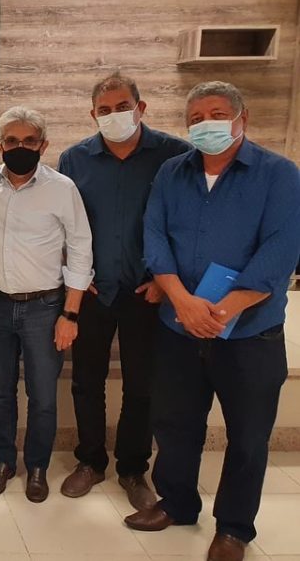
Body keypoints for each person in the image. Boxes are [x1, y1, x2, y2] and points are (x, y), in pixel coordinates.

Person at [126, 81, 300, 561]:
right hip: (179, 325)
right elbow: (155, 236)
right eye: (197, 118)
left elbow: (282, 250)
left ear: (242, 119)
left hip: (250, 331)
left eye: (218, 114)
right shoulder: (172, 172)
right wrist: (182, 301)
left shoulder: (279, 175)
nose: (207, 124)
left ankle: (234, 528)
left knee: (248, 435)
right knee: (175, 422)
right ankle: (177, 504)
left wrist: (224, 309)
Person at [57, 73, 190, 510]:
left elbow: (185, 224)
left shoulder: (173, 155)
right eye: (104, 110)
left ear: (140, 107)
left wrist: (165, 282)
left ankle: (133, 468)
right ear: (92, 115)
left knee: (142, 385)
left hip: (146, 293)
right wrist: (75, 275)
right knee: (86, 382)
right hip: (93, 292)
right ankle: (90, 462)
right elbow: (61, 224)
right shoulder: (75, 159)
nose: (113, 115)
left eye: (121, 107)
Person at [0, 106, 93, 503]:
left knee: (42, 396)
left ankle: (37, 466)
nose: (19, 147)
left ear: (43, 145)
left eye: (29, 141)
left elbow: (81, 249)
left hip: (45, 308)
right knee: (0, 391)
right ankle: (5, 461)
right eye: (11, 141)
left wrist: (70, 313)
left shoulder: (62, 188)